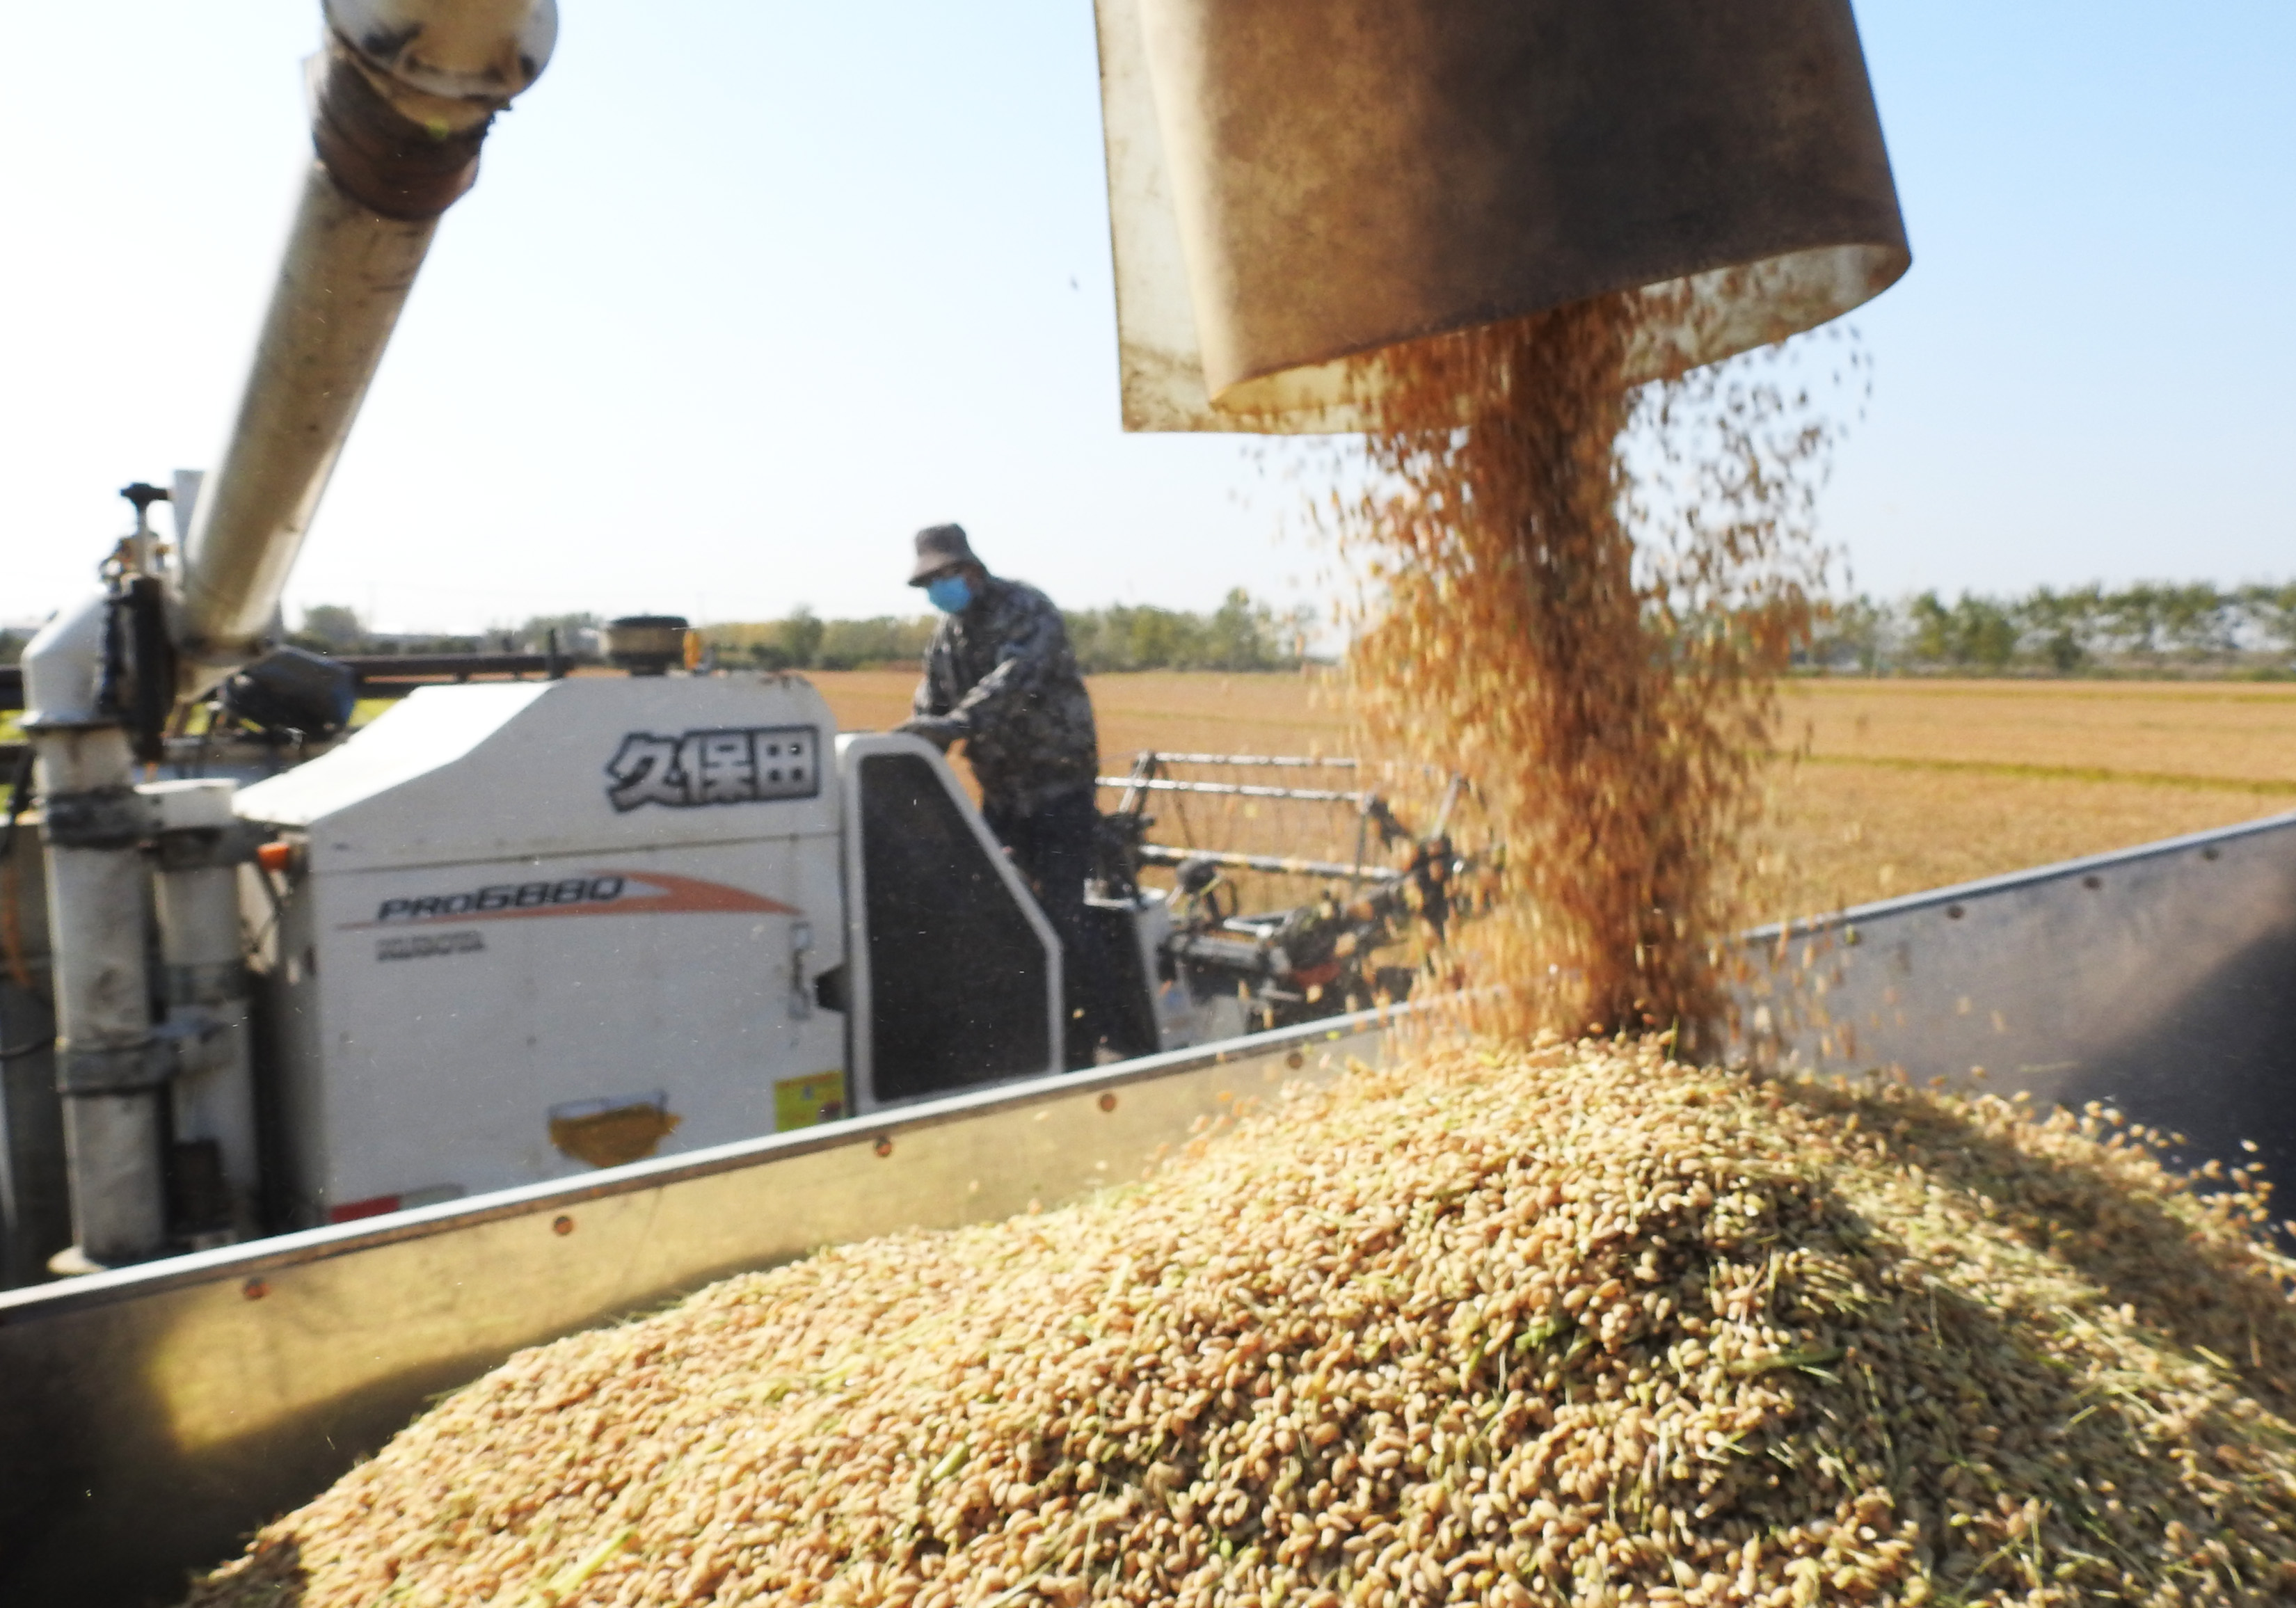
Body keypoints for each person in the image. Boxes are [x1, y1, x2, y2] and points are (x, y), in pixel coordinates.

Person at [895, 523, 1122, 1066]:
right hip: (1003, 795)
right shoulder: (947, 638)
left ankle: (1109, 1033)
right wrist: (909, 748)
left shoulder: (1026, 608)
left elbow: (1016, 679)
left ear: (969, 570)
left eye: (941, 579)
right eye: (927, 584)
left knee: (1063, 912)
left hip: (1058, 786)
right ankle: (1027, 1032)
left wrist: (955, 726)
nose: (935, 592)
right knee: (997, 914)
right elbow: (931, 705)